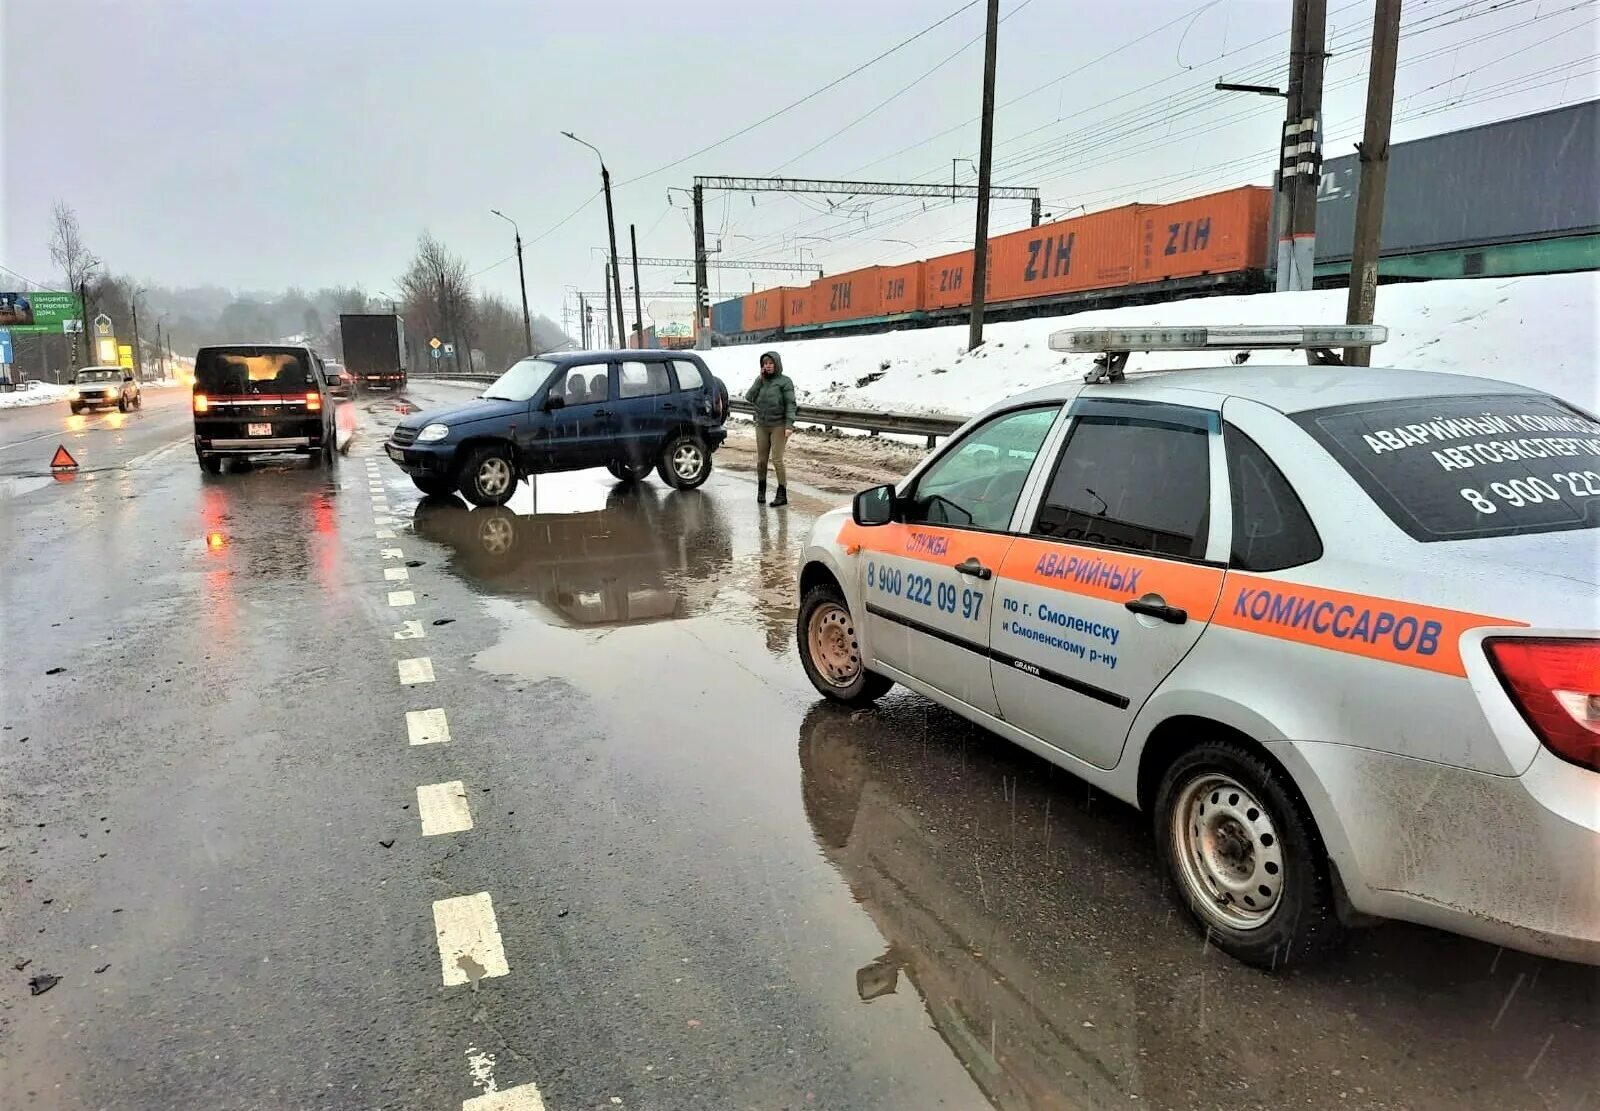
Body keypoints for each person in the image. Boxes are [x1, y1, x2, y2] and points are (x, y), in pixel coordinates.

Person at [744, 350, 796, 506]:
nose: (767, 366)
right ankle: (761, 490)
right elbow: (748, 397)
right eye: (765, 363)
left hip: (779, 426)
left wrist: (789, 424)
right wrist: (759, 380)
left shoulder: (785, 382)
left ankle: (782, 494)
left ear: (776, 364)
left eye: (770, 363)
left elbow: (790, 404)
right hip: (762, 425)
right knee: (761, 461)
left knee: (777, 459)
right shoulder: (761, 381)